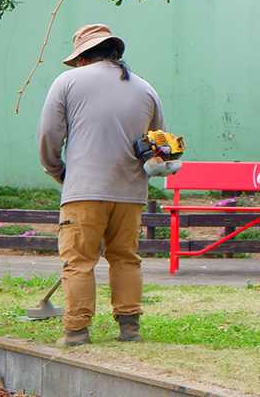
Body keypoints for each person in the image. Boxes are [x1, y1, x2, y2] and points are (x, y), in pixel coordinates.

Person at [37, 23, 166, 346]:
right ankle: (129, 328)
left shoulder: (67, 82)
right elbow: (158, 140)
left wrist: (58, 171)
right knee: (125, 258)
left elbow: (49, 136)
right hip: (131, 192)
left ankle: (77, 331)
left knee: (78, 261)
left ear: (82, 57)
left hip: (83, 191)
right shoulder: (146, 88)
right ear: (114, 53)